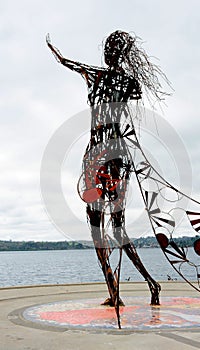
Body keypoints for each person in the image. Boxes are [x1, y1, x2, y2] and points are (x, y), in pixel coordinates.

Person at [46, 30, 170, 308]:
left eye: (114, 48)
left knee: (103, 229)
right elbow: (69, 63)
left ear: (117, 53)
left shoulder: (109, 78)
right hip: (105, 156)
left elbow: (69, 63)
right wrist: (58, 54)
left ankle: (120, 292)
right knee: (112, 229)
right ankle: (135, 287)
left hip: (105, 157)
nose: (109, 52)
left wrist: (58, 54)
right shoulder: (115, 78)